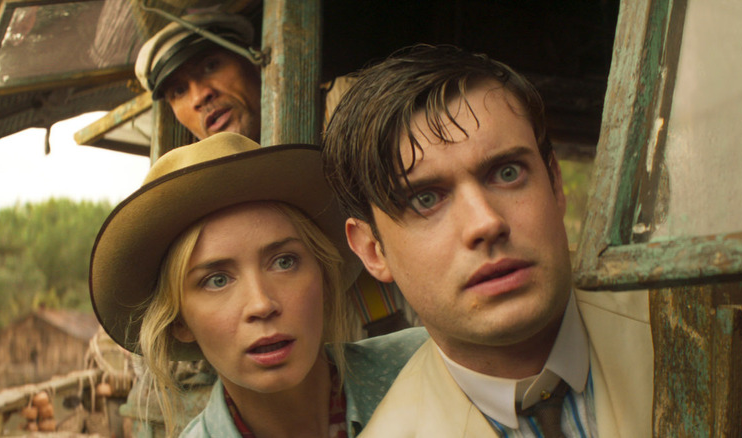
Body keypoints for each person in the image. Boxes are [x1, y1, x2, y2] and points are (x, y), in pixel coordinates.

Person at [321, 44, 653, 437]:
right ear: (372, 251)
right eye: (425, 199)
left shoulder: (696, 317)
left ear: (555, 183)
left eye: (508, 172)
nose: (486, 223)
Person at [89, 132, 427, 437]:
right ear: (179, 320)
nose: (262, 304)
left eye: (284, 262)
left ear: (324, 276)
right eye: (216, 280)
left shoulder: (429, 366)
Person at [134, 11, 410, 336]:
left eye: (211, 66)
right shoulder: (198, 193)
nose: (200, 96)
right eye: (179, 91)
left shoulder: (347, 107)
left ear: (255, 60)